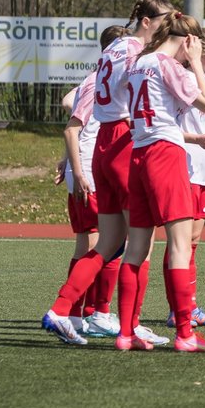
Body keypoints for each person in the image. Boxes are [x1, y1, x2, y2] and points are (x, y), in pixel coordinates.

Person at [42, 0, 172, 347]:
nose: (167, 30)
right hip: (124, 142)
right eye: (164, 23)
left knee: (109, 243)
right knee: (141, 244)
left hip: (102, 147)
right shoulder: (136, 52)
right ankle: (131, 326)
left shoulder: (113, 49)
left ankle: (61, 309)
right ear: (147, 22)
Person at [115, 10, 205, 352]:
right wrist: (194, 64)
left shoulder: (138, 63)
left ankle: (126, 333)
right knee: (179, 245)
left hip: (139, 153)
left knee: (136, 248)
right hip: (165, 152)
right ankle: (186, 335)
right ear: (188, 41)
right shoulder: (170, 65)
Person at [56, 25, 129, 339]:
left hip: (86, 167)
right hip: (89, 171)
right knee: (106, 244)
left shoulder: (99, 78)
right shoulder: (99, 79)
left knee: (96, 243)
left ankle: (84, 313)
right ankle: (84, 313)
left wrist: (66, 161)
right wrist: (77, 168)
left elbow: (68, 103)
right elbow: (72, 124)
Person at [168, 28, 205, 330]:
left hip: (204, 170)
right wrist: (195, 138)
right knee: (181, 242)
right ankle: (181, 307)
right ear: (201, 52)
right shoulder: (186, 79)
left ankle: (188, 306)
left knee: (192, 242)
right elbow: (167, 126)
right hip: (187, 168)